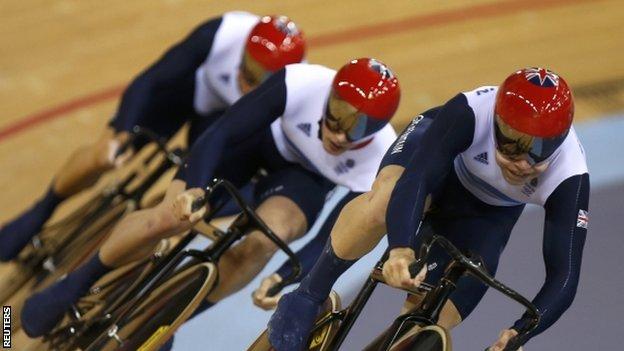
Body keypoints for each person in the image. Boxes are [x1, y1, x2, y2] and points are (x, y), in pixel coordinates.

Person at [20, 58, 401, 341]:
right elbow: (222, 132)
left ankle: (167, 319)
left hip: (304, 181)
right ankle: (73, 284)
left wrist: (283, 276)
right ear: (330, 95)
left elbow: (333, 237)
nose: (340, 134)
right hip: (255, 146)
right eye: (337, 115)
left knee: (264, 242)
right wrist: (193, 190)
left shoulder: (378, 158)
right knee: (170, 217)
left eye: (361, 128)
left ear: (380, 129)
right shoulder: (302, 82)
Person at [268, 67, 590, 351]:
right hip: (437, 162)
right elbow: (419, 178)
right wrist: (400, 250)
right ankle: (310, 293)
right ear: (495, 121)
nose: (521, 162)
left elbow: (564, 275)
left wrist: (520, 333)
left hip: (486, 213)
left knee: (434, 319)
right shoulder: (470, 110)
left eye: (538, 151)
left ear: (559, 141)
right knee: (386, 199)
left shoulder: (569, 174)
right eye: (511, 141)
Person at [0, 12, 306, 262]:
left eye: (264, 78)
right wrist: (120, 135)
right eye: (249, 65)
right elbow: (151, 80)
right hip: (191, 94)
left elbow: (256, 168)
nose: (249, 78)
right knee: (103, 155)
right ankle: (41, 211)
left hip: (225, 126)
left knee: (179, 212)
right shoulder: (222, 33)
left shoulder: (293, 93)